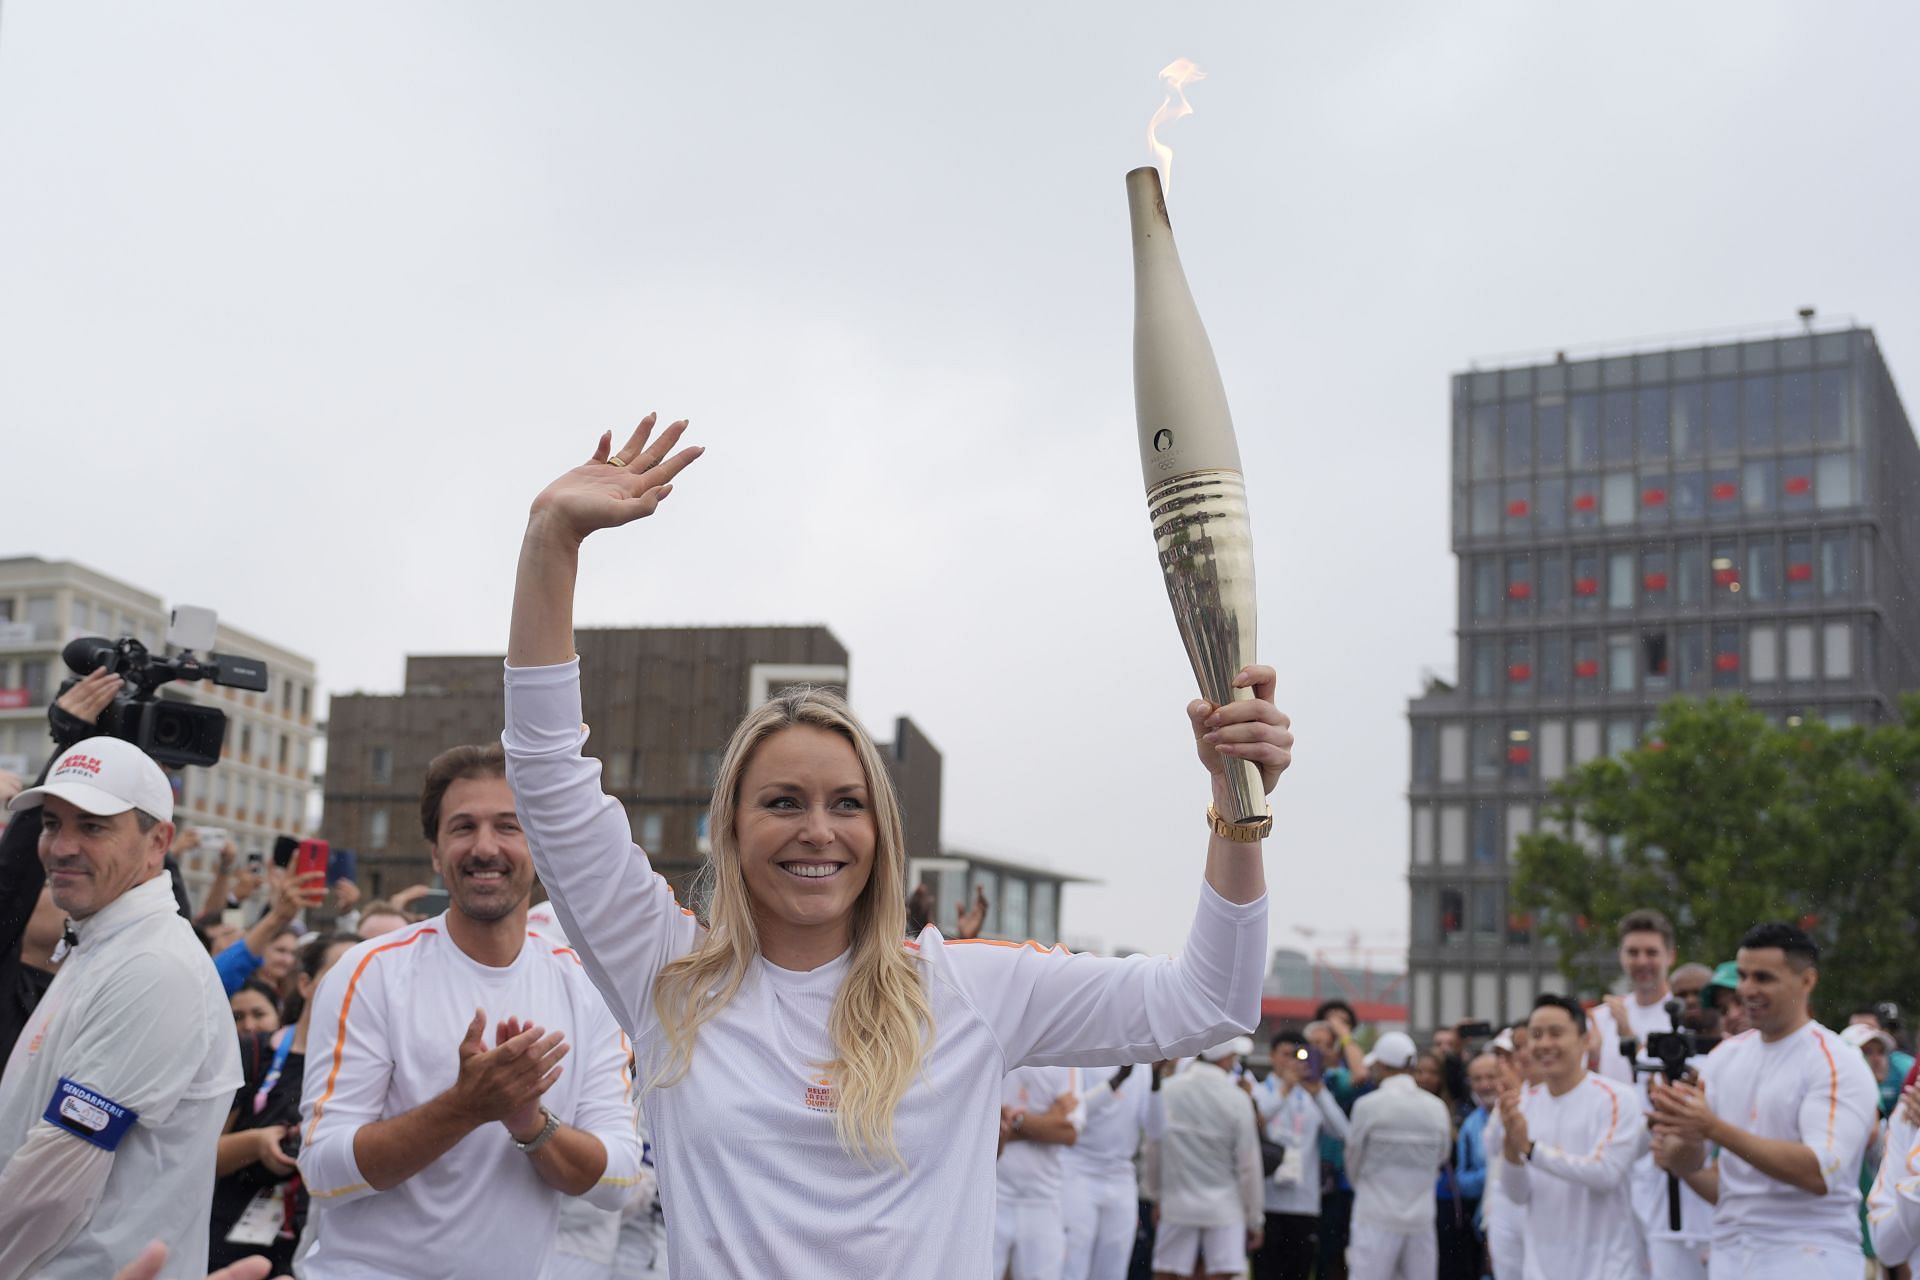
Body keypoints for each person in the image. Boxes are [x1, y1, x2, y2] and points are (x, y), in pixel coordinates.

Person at [501, 417, 1285, 1277]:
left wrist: (1233, 806)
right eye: (782, 802)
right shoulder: (666, 976)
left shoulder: (964, 990)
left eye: (848, 803)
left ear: (883, 833)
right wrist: (551, 540)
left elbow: (1212, 1001)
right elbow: (549, 780)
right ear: (731, 828)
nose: (818, 830)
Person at [297, 743, 645, 1280]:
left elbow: (617, 1180)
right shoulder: (370, 971)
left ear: (540, 843)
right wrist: (465, 1106)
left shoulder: (586, 985)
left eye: (509, 826)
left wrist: (530, 1122)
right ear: (436, 853)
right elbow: (324, 1171)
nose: (485, 847)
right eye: (462, 828)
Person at [0, 736, 242, 1278]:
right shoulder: (103, 944)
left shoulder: (153, 964)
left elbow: (52, 1183)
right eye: (51, 824)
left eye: (92, 826)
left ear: (158, 842)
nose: (61, 847)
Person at [1650, 922, 1879, 1279]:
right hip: (1730, 1255)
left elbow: (1820, 1172)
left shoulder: (1837, 1062)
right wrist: (1679, 1136)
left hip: (1811, 1255)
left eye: (1763, 978)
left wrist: (1713, 1128)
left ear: (1807, 981)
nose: (1747, 990)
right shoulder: (1725, 1058)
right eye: (1743, 976)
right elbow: (1719, 1182)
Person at [210, 932, 358, 1275]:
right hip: (230, 1248)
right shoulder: (256, 1052)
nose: (354, 988)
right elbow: (194, 1158)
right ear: (305, 984)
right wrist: (256, 1145)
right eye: (341, 975)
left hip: (320, 1257)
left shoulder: (373, 1070)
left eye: (366, 977)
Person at [1587, 907, 1712, 1279]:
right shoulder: (1599, 1019)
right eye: (1633, 952)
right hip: (1615, 1167)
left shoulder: (1686, 1017)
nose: (1642, 962)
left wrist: (1631, 1039)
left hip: (1670, 1170)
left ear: (1670, 956)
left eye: (1651, 953)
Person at [1497, 994, 1649, 1278]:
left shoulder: (1616, 1098)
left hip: (1606, 1268)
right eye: (1536, 1035)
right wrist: (1510, 1148)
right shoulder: (1524, 1104)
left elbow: (1606, 1173)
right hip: (1541, 1268)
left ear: (1584, 1039)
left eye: (1556, 1033)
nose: (1544, 1045)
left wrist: (1530, 1149)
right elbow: (1517, 1195)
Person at [1344, 1030, 1452, 1280]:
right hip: (1421, 1218)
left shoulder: (1368, 1106)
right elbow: (1442, 1157)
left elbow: (1353, 1162)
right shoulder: (1436, 1108)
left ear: (1381, 1065)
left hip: (1375, 1215)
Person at [1153, 1037, 1262, 1280]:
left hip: (1177, 1201)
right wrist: (1255, 1218)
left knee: (1168, 1272)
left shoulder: (1169, 1088)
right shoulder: (1237, 1098)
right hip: (1224, 1206)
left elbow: (1155, 1145)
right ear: (1225, 1058)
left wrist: (1155, 1195)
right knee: (1223, 1273)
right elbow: (1248, 1165)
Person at [1253, 1030, 1349, 1280]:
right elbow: (1256, 1123)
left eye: (1298, 1056)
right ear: (1272, 1056)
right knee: (1266, 1273)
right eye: (1286, 1055)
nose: (1292, 1062)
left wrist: (1318, 1091)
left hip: (1304, 1203)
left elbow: (1343, 1132)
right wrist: (1284, 1090)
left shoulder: (1314, 1096)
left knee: (1299, 1272)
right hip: (1267, 1200)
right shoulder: (1260, 1091)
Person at [1063, 1060, 1166, 1280]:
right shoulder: (1084, 1055)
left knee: (1113, 1271)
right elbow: (1073, 1113)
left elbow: (1156, 1130)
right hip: (1078, 1171)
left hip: (1121, 1177)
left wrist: (1156, 1076)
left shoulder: (1143, 1067)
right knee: (1073, 1267)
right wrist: (1118, 1079)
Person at [997, 1065, 1087, 1280]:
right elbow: (978, 1122)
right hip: (992, 1195)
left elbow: (1068, 1132)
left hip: (1042, 1199)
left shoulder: (1066, 1058)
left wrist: (1015, 1121)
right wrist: (1047, 1120)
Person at [1305, 1002, 1369, 1280]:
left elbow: (1361, 1075)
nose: (1317, 1050)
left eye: (1324, 1042)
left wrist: (1343, 1033)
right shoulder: (1289, 1080)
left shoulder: (1336, 1078)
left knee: (1333, 1252)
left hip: (1335, 1179)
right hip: (1299, 1179)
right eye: (1312, 1043)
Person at [1450, 1052, 1498, 1280]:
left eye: (1491, 1076)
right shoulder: (1471, 1125)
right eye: (1478, 1079)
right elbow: (1462, 1181)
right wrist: (1495, 1174)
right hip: (1484, 1230)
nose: (1485, 1085)